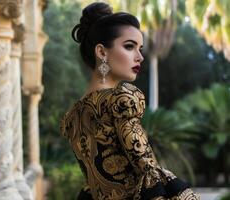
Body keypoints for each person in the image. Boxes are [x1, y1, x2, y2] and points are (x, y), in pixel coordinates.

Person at [59, 2, 200, 200]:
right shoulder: (122, 99)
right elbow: (147, 168)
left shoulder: (71, 117)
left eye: (140, 48)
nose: (140, 57)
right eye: (129, 46)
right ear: (102, 52)